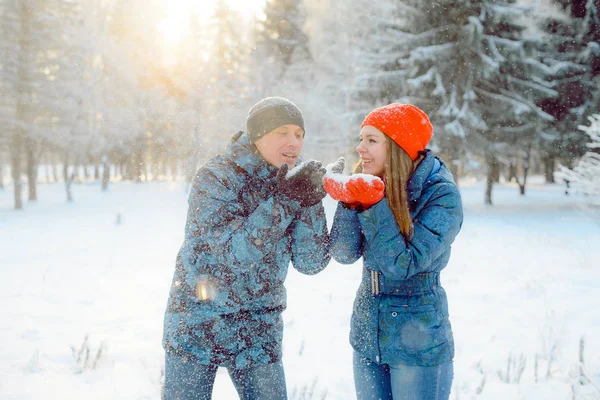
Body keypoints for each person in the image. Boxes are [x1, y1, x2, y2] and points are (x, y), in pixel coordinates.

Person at [162, 97, 331, 400]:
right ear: (258, 135)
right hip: (198, 323)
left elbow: (311, 263)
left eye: (299, 134)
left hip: (258, 328)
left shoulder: (292, 181)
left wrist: (311, 202)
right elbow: (230, 255)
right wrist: (285, 201)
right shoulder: (215, 177)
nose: (294, 142)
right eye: (283, 132)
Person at [323, 103, 463, 400]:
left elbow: (403, 265)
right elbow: (344, 253)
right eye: (361, 138)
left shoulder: (441, 195)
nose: (360, 148)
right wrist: (351, 202)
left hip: (417, 340)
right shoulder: (373, 182)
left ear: (399, 146)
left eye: (372, 140)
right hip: (367, 335)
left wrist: (373, 206)